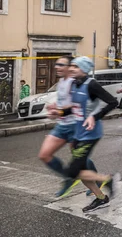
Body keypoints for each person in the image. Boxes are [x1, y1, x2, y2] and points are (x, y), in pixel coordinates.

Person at [47, 56, 120, 213]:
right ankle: (101, 198)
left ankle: (106, 179)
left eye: (76, 67)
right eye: (71, 66)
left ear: (84, 70)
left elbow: (113, 102)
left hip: (90, 133)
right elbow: (74, 108)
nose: (72, 69)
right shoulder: (74, 83)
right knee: (78, 170)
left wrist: (94, 116)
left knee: (73, 172)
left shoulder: (91, 85)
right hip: (78, 132)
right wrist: (58, 112)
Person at [40, 56, 99, 197]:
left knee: (81, 159)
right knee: (44, 154)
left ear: (69, 67)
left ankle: (97, 182)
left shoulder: (75, 82)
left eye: (61, 64)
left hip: (76, 125)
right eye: (56, 64)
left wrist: (59, 111)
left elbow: (78, 104)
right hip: (62, 124)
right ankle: (68, 178)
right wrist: (54, 107)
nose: (57, 67)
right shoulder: (61, 81)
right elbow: (64, 102)